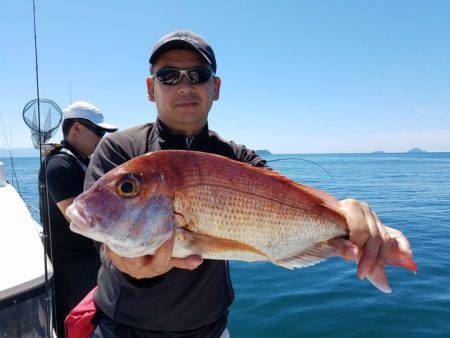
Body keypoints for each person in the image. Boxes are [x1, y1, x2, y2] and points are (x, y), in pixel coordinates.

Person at [83, 30, 413, 338]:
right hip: (124, 328)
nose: (185, 85)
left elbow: (289, 202)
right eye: (168, 76)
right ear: (150, 88)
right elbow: (105, 245)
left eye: (198, 75)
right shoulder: (120, 151)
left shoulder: (238, 157)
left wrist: (345, 214)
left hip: (211, 328)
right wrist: (126, 265)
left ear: (216, 88)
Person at [39, 101, 117, 337]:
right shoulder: (59, 165)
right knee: (77, 325)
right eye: (99, 132)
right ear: (76, 129)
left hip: (90, 262)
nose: (101, 138)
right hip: (71, 268)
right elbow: (81, 219)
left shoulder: (81, 161)